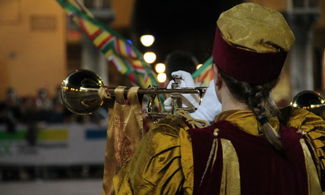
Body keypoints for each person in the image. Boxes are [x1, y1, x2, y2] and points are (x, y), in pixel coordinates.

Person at [112, 3, 324, 194]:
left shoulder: (181, 148)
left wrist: (189, 123)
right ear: (275, 81)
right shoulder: (311, 139)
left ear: (216, 76)